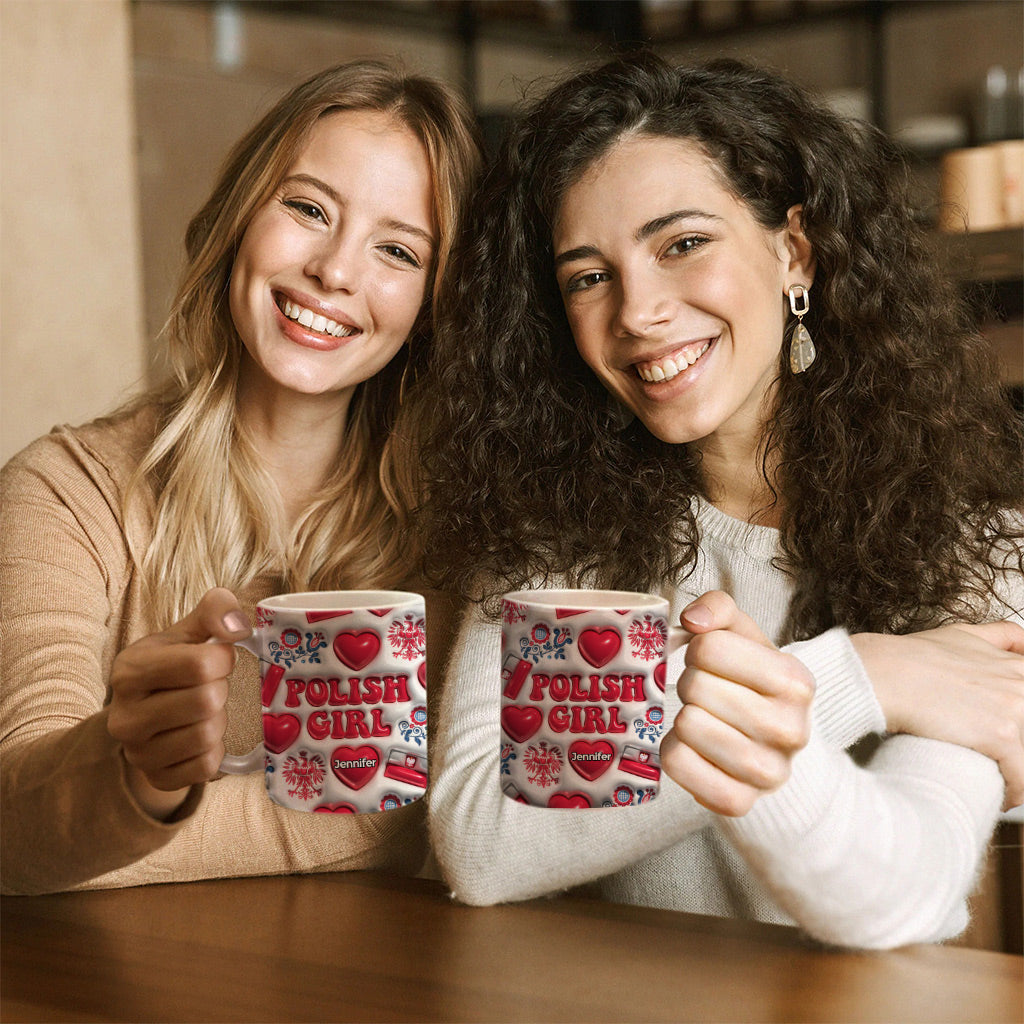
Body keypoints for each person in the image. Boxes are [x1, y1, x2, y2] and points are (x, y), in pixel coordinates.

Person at [415, 53, 1024, 949]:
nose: (637, 311)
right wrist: (858, 676)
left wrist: (775, 694)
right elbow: (480, 843)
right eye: (588, 276)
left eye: (682, 244)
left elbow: (900, 891)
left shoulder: (978, 544)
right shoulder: (551, 540)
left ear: (794, 252)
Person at [0, 60, 482, 895]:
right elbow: (16, 825)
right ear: (238, 220)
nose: (335, 270)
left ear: (434, 304)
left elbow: (425, 809)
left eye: (397, 250)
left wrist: (128, 830)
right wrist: (138, 776)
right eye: (307, 209)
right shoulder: (65, 492)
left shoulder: (461, 534)